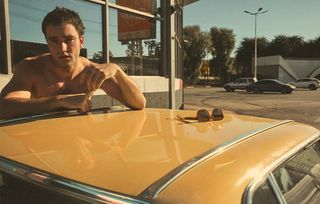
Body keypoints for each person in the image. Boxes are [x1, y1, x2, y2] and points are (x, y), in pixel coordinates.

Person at [0, 7, 146, 120]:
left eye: (68, 40)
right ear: (47, 42)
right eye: (54, 40)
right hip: (42, 143)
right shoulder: (31, 68)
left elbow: (139, 103)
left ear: (81, 41)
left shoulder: (91, 72)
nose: (62, 48)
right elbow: (3, 108)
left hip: (80, 142)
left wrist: (117, 70)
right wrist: (59, 101)